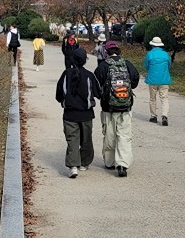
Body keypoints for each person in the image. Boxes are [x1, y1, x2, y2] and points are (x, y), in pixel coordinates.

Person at [55, 47, 102, 178]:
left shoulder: (66, 74)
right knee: (86, 139)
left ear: (73, 60)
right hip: (86, 114)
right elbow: (98, 93)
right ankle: (84, 163)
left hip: (69, 114)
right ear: (85, 61)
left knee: (72, 139)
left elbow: (59, 94)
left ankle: (73, 166)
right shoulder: (89, 75)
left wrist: (63, 101)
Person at [95, 40, 139, 177]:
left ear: (107, 52)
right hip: (126, 106)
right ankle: (122, 164)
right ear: (119, 51)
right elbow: (135, 81)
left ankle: (110, 162)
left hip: (108, 107)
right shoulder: (128, 64)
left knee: (109, 135)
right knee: (124, 135)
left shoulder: (103, 66)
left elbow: (96, 85)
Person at [143, 36, 172, 125]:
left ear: (152, 45)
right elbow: (169, 65)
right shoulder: (166, 54)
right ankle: (164, 115)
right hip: (164, 79)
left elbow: (146, 66)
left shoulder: (149, 54)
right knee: (164, 98)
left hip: (152, 79)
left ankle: (153, 116)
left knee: (152, 98)